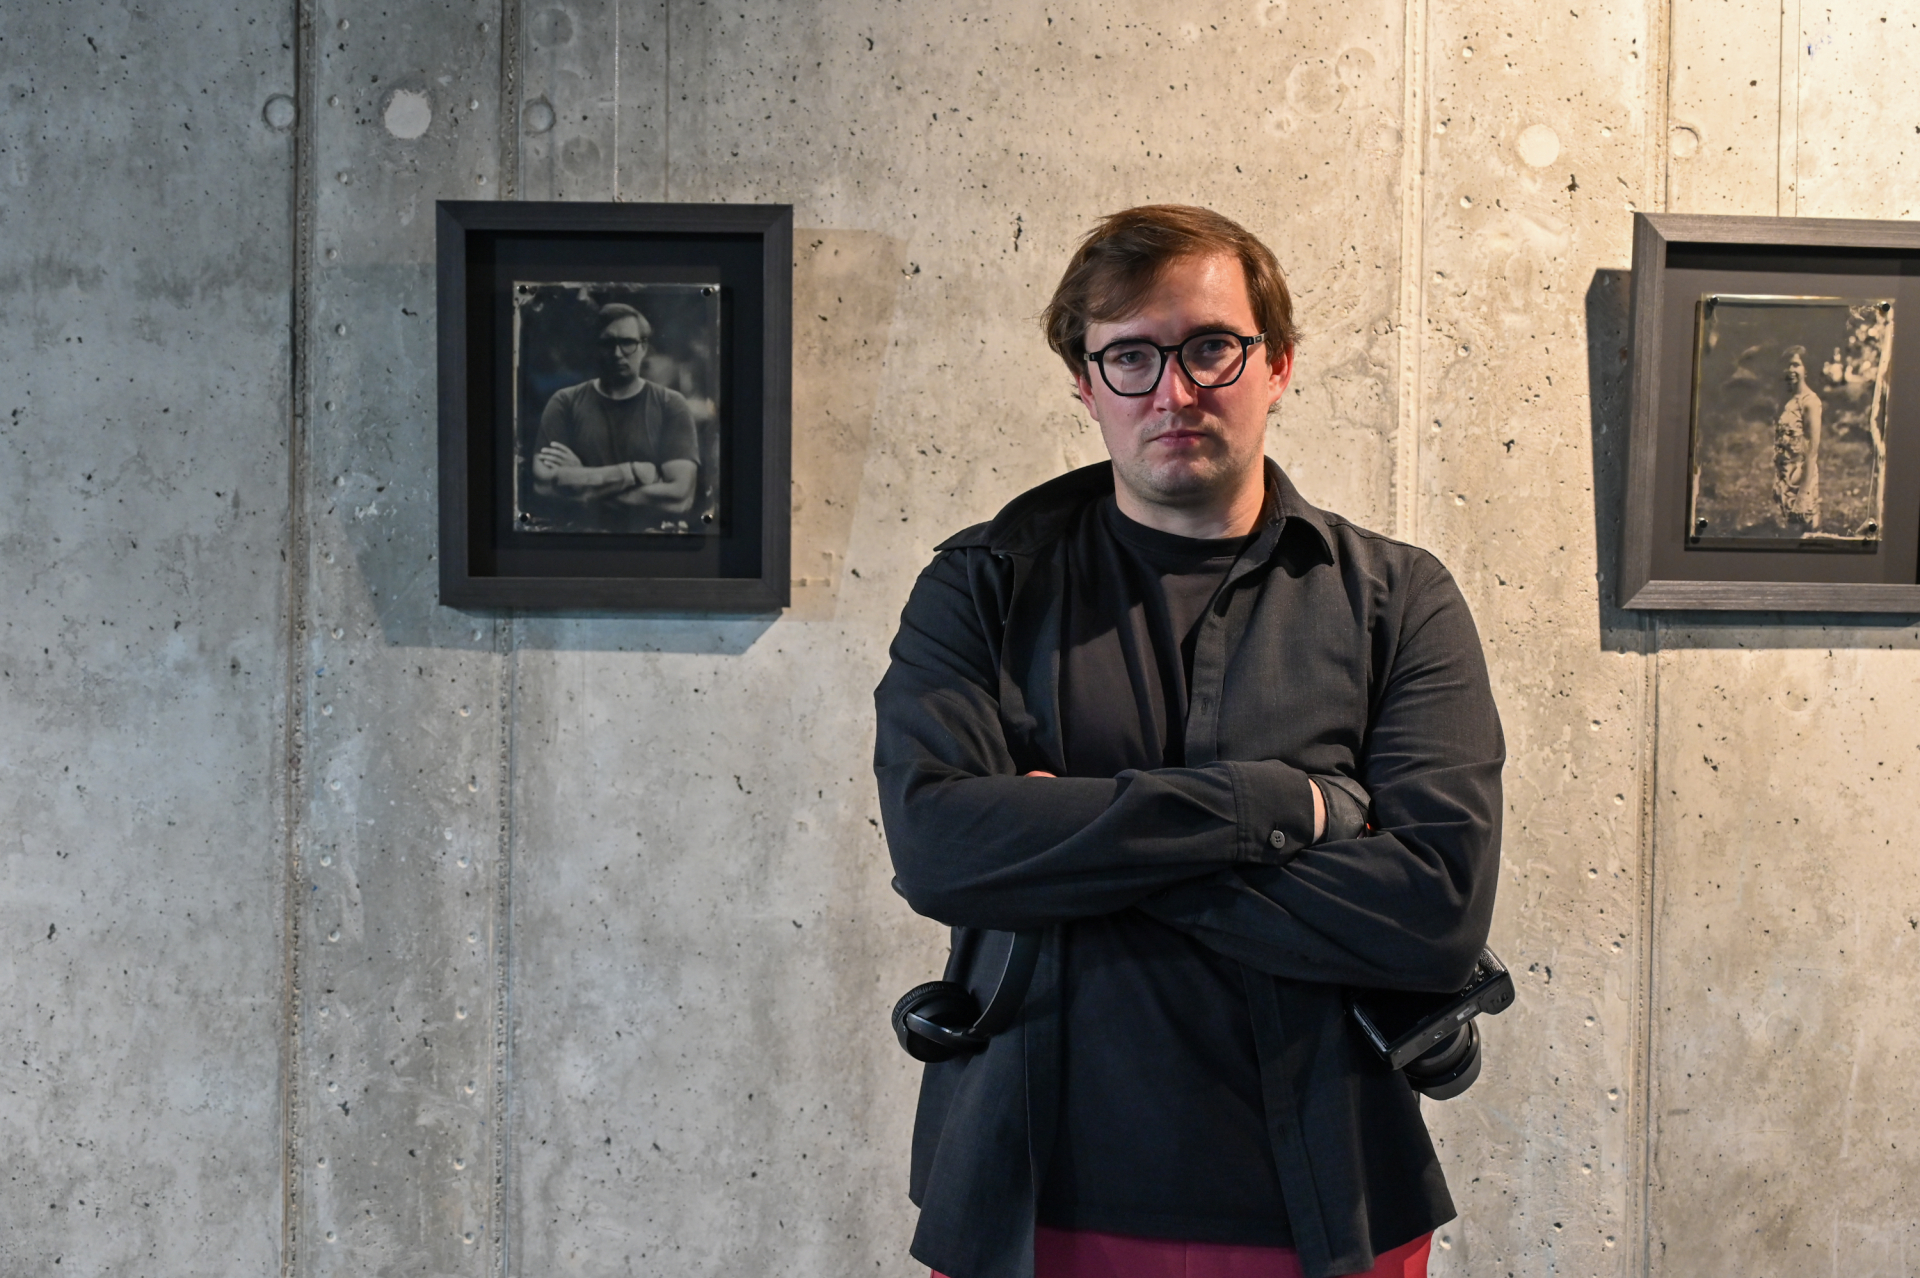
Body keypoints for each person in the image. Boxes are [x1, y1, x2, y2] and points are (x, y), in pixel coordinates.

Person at [873, 206, 1504, 1278]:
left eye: (1212, 347)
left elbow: (1435, 911)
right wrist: (1279, 808)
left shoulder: (1398, 600)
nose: (1173, 392)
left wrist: (1065, 842)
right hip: (1030, 1198)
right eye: (1130, 356)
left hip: (1328, 1197)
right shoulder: (981, 585)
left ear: (1278, 363)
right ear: (1085, 383)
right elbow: (938, 851)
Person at [529, 303, 700, 528]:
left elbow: (679, 498)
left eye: (627, 342)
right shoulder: (565, 402)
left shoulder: (671, 404)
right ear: (595, 348)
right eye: (607, 343)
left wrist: (581, 481)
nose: (617, 353)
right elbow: (542, 485)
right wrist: (632, 472)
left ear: (643, 347)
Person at [1773, 345, 1822, 527]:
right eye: (1787, 365)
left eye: (1795, 365)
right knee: (1786, 533)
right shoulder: (1787, 401)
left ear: (1806, 369)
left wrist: (1802, 495)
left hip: (1800, 480)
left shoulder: (1810, 403)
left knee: (1804, 533)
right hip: (1784, 479)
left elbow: (1811, 452)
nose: (1790, 370)